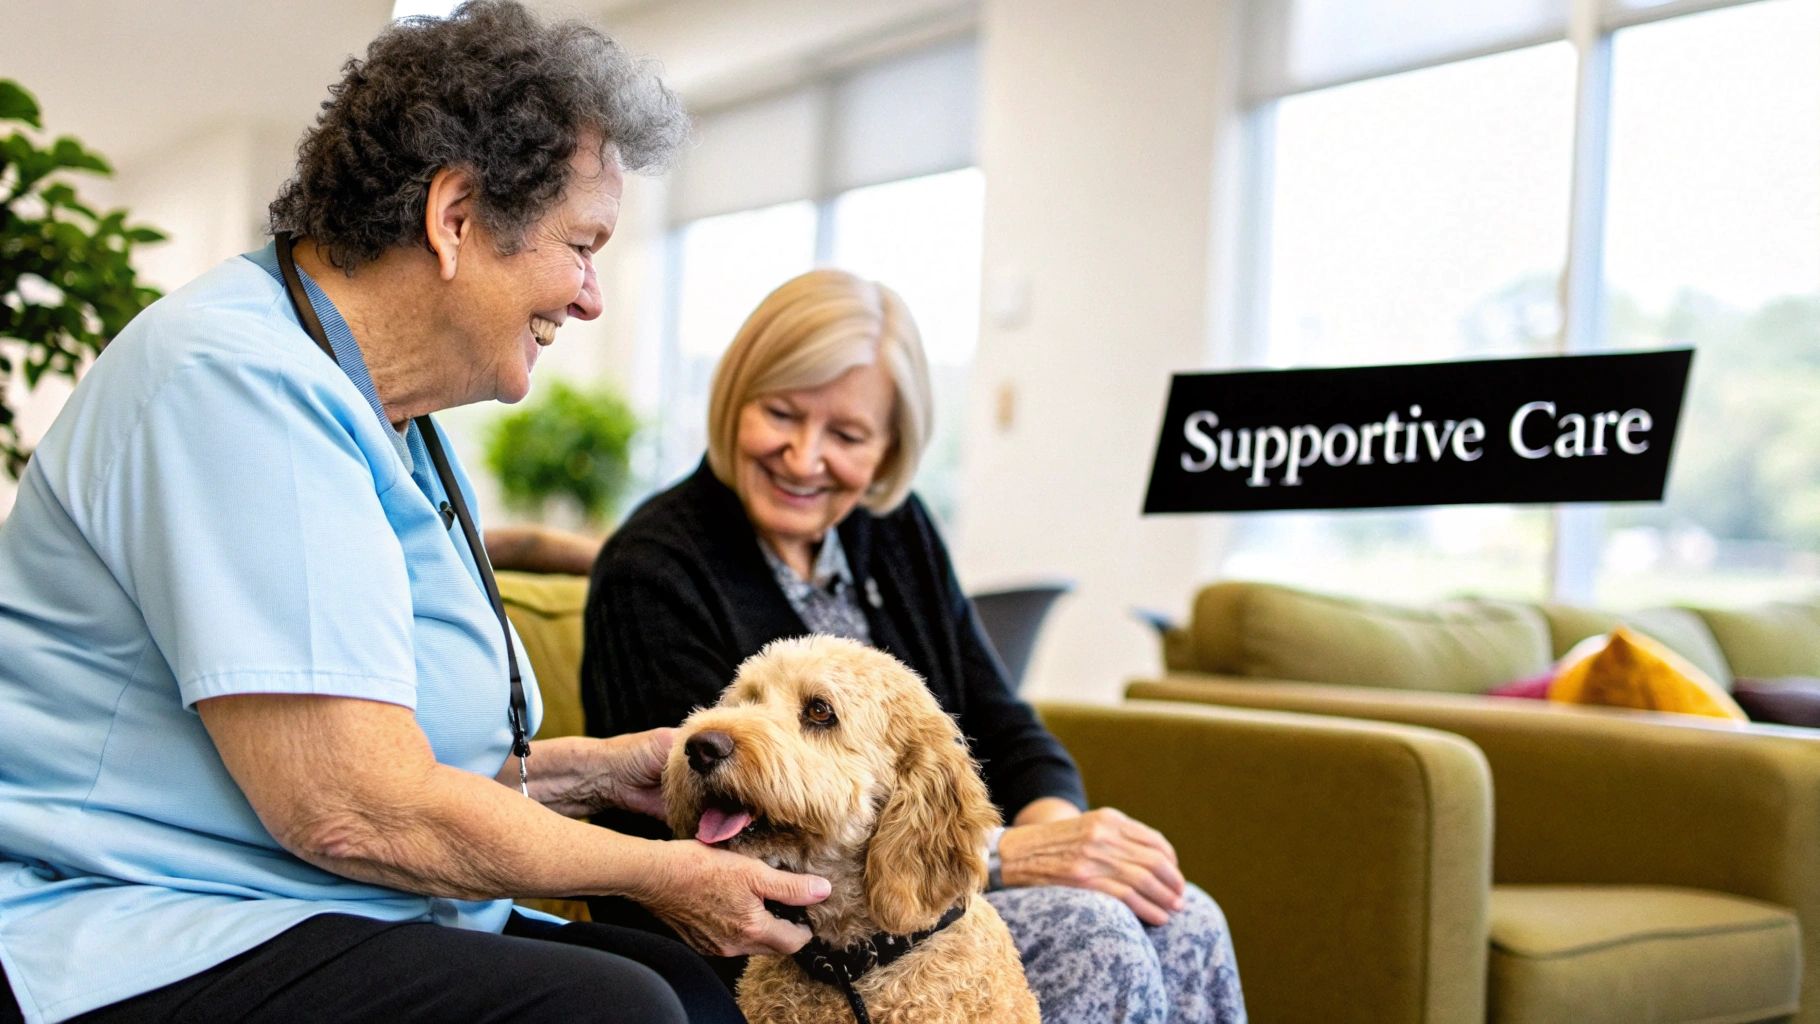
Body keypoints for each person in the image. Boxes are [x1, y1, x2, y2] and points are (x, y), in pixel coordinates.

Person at [0, 6, 835, 1023]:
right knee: (618, 1011)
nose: (590, 299)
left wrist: (589, 771)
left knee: (701, 992)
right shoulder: (229, 382)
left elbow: (403, 762)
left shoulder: (388, 417)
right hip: (136, 925)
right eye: (582, 246)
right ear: (454, 217)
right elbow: (353, 808)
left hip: (312, 899)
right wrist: (656, 874)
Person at [583, 269, 1248, 1023]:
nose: (804, 459)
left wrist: (1063, 842)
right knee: (1095, 935)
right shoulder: (655, 566)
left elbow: (1002, 721)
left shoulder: (892, 531)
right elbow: (723, 824)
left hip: (923, 899)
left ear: (892, 446)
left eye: (848, 435)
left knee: (1182, 916)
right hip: (768, 930)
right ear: (734, 398)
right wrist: (999, 861)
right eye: (780, 414)